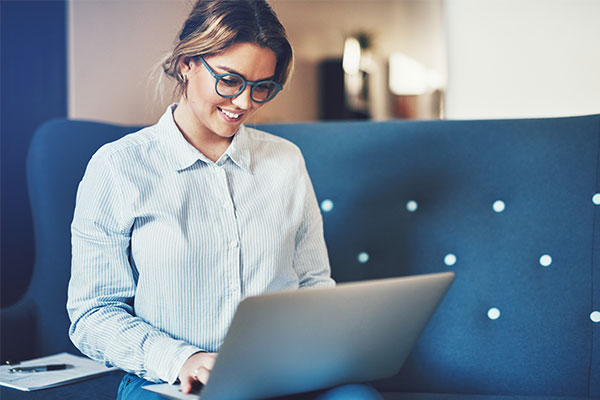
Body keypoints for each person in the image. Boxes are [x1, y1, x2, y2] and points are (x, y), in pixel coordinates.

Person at [66, 0, 335, 398]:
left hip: (280, 375)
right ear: (187, 63)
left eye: (262, 88)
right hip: (169, 381)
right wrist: (181, 359)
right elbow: (92, 314)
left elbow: (314, 282)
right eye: (230, 80)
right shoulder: (117, 168)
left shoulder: (286, 162)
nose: (244, 103)